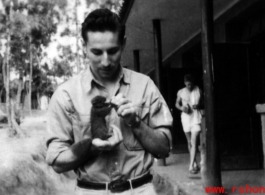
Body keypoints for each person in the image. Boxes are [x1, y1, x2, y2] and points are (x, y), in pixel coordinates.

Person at [46, 8, 173, 195]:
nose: (105, 62)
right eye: (97, 52)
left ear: (123, 44)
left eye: (112, 51)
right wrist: (90, 148)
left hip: (141, 190)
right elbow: (56, 161)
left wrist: (135, 122)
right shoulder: (66, 94)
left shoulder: (145, 86)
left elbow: (164, 149)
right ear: (84, 48)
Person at [175, 74, 203, 174]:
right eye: (187, 85)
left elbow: (204, 102)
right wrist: (182, 108)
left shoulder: (198, 89)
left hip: (196, 117)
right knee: (189, 142)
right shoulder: (181, 92)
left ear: (193, 83)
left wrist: (198, 105)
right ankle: (194, 162)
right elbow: (176, 104)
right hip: (186, 118)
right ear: (184, 83)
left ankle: (191, 166)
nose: (189, 86)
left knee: (194, 141)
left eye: (191, 84)